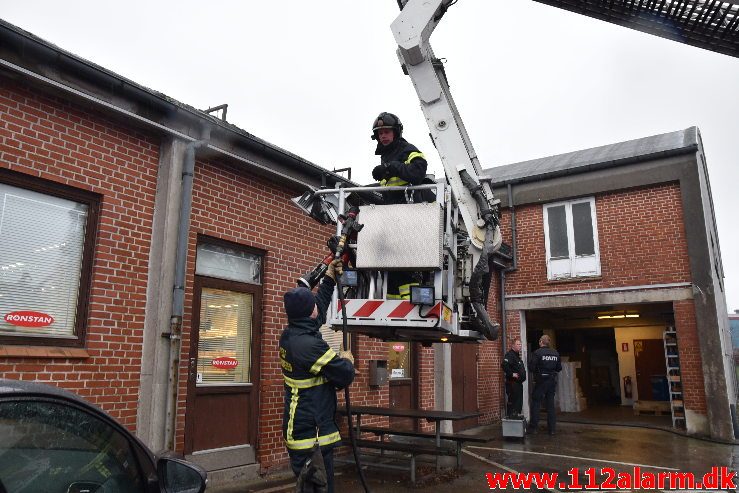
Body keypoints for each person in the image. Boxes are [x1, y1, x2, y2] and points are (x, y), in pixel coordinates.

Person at [280, 259, 355, 493]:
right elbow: (343, 375)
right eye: (313, 305)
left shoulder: (295, 332)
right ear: (307, 312)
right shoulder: (307, 346)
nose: (317, 307)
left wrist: (330, 276)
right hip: (310, 438)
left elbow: (320, 305)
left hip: (311, 432)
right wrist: (347, 360)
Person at [370, 111, 431, 299]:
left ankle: (411, 303)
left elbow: (418, 172)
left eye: (387, 132)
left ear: (396, 132)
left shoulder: (407, 150)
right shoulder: (385, 155)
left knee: (406, 264)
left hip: (409, 217)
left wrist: (391, 168)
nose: (383, 136)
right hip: (390, 219)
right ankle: (393, 302)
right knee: (392, 267)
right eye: (380, 133)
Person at [528, 334, 562, 435]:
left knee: (536, 403)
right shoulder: (555, 353)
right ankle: (552, 429)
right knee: (550, 405)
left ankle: (534, 428)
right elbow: (559, 368)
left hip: (541, 381)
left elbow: (531, 367)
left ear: (540, 342)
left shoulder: (537, 353)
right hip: (551, 381)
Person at [501, 338, 526, 418]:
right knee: (513, 403)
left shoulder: (516, 356)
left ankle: (516, 418)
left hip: (518, 384)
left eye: (520, 344)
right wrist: (512, 374)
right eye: (518, 344)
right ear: (513, 345)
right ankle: (511, 418)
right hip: (513, 384)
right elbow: (504, 365)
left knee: (518, 403)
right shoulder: (510, 355)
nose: (520, 346)